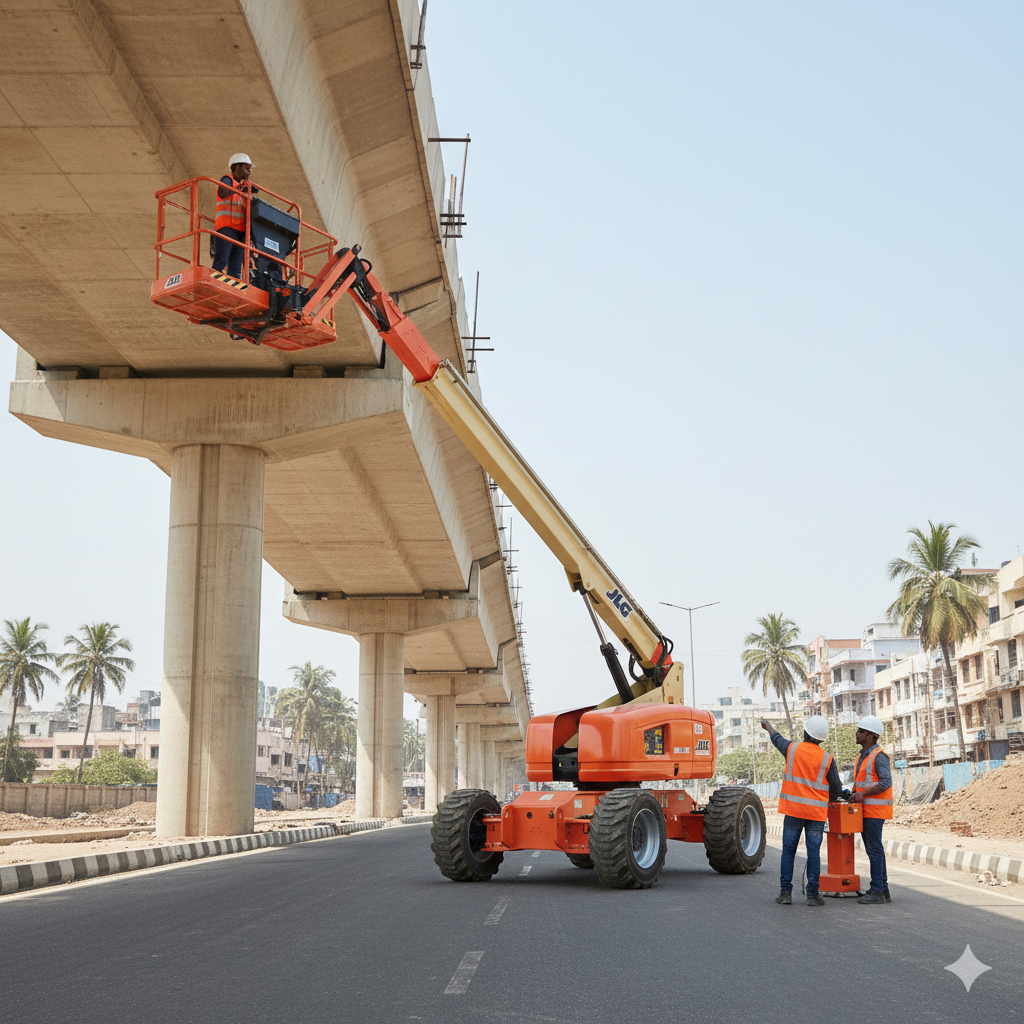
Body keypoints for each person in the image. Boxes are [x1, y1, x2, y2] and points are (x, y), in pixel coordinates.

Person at [761, 715, 842, 907]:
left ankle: (785, 893)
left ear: (805, 733)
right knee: (813, 853)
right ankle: (813, 895)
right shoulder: (827, 759)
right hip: (816, 815)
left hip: (794, 811)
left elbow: (776, 739)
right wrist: (826, 800)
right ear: (822, 739)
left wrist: (768, 726)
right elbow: (836, 788)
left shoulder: (792, 749)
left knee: (788, 852)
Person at [850, 715, 893, 905]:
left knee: (874, 850)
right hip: (865, 811)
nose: (857, 734)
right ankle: (882, 889)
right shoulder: (862, 756)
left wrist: (863, 794)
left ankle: (877, 890)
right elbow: (861, 783)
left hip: (875, 812)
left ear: (871, 735)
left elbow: (885, 782)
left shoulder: (879, 756)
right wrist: (852, 793)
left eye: (861, 731)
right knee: (874, 849)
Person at [212, 153, 259, 280]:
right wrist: (239, 187)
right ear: (236, 167)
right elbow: (222, 193)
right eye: (246, 168)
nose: (249, 172)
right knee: (221, 261)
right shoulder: (228, 180)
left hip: (240, 232)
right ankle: (214, 281)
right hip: (227, 227)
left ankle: (233, 286)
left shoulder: (244, 187)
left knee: (236, 267)